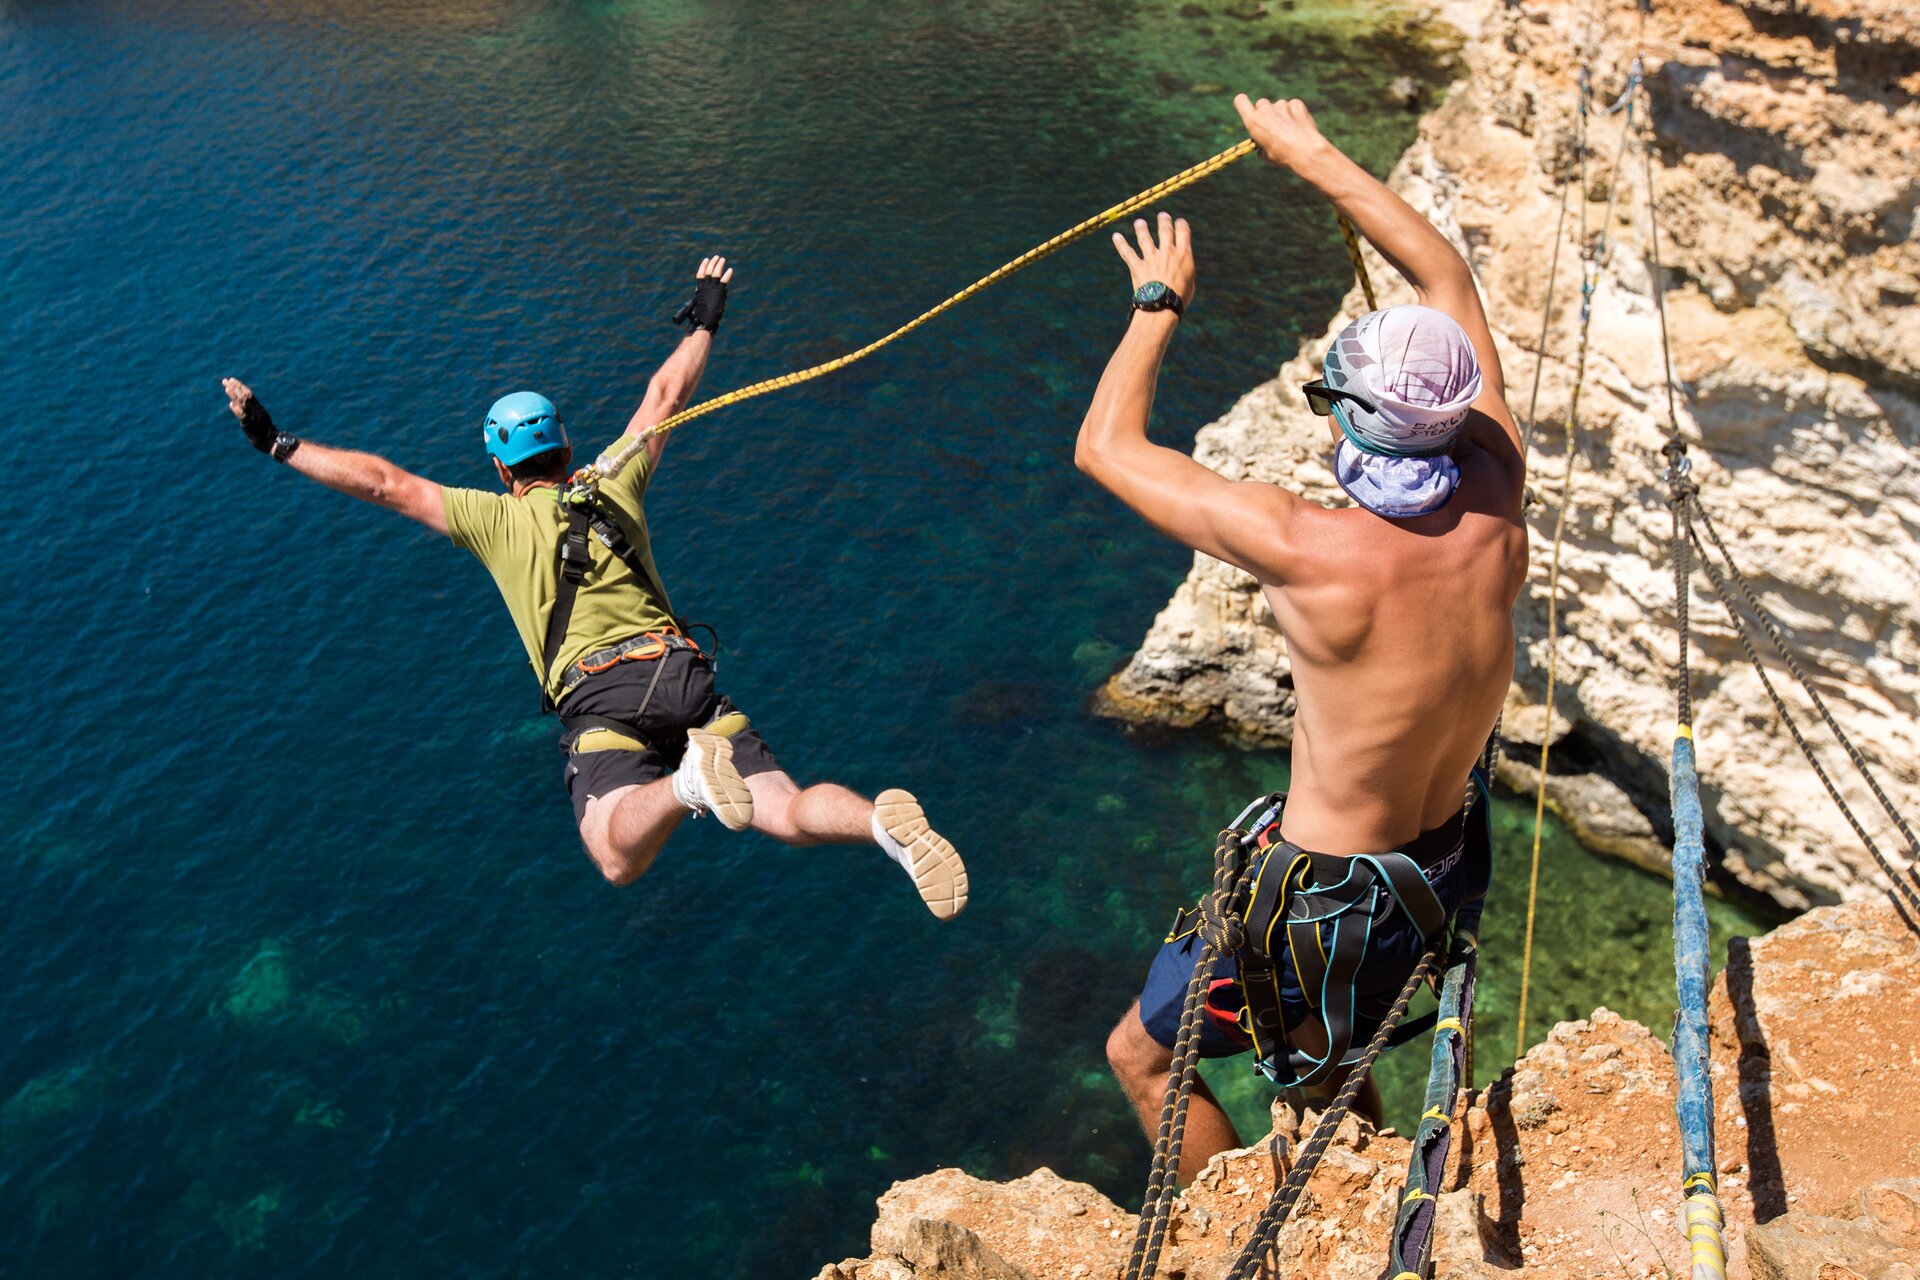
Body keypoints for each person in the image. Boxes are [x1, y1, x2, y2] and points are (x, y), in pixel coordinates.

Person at [220, 256, 967, 919]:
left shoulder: (488, 518)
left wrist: (279, 444)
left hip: (604, 696)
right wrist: (706, 318)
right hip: (685, 677)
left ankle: (688, 789)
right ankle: (880, 827)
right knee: (786, 808)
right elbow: (666, 394)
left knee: (615, 858)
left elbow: (385, 484)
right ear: (567, 446)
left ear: (503, 471)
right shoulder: (615, 478)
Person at [1088, 98, 1526, 1175]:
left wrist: (1158, 303)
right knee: (1334, 1066)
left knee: (1143, 1055)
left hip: (1321, 900)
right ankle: (1366, 1202)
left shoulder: (1305, 547)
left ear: (1348, 421)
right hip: (1439, 863)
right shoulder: (1501, 477)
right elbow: (1448, 278)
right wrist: (1314, 153)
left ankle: (1229, 1224)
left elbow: (1107, 445)